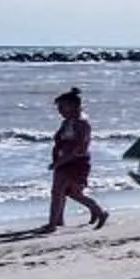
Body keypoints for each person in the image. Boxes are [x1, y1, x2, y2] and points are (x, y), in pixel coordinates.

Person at [46, 88, 107, 231]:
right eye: (58, 108)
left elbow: (80, 147)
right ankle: (61, 219)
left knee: (58, 191)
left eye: (62, 107)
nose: (59, 111)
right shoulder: (67, 121)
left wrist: (61, 161)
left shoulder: (81, 123)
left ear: (74, 106)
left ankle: (52, 224)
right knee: (71, 193)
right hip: (64, 160)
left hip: (75, 162)